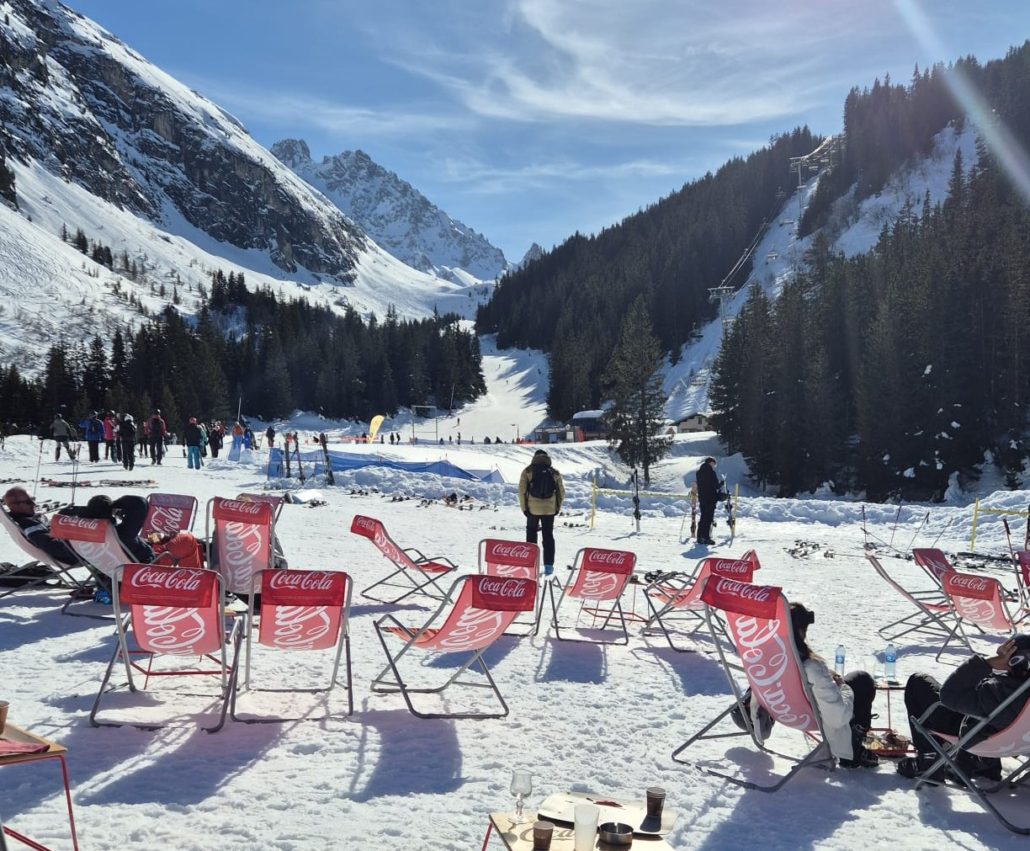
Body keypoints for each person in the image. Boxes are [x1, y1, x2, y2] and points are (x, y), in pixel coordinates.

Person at [896, 636, 1030, 781]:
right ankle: (984, 764)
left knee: (918, 682)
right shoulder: (1014, 690)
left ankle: (930, 760)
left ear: (1016, 660)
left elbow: (949, 694)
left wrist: (988, 663)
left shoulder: (999, 692)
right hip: (1016, 742)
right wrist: (1006, 669)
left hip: (980, 738)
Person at [790, 602, 879, 768]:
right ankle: (853, 748)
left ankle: (854, 738)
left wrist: (828, 676)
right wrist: (842, 685)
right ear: (801, 630)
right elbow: (838, 716)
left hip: (789, 707)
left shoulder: (776, 657)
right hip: (816, 712)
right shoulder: (811, 666)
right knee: (863, 680)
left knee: (857, 679)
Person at [518, 448, 565, 576]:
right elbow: (561, 492)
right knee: (548, 536)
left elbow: (521, 491)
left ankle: (530, 563)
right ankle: (548, 566)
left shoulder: (528, 471)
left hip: (532, 509)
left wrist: (525, 509)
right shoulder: (554, 472)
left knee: (531, 534)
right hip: (549, 510)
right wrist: (556, 507)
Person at [695, 456, 720, 546]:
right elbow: (715, 486)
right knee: (708, 519)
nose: (714, 466)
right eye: (714, 464)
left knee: (703, 518)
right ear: (711, 463)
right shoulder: (711, 472)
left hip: (702, 498)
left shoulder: (699, 472)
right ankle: (706, 538)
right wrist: (721, 484)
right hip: (710, 498)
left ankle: (700, 537)